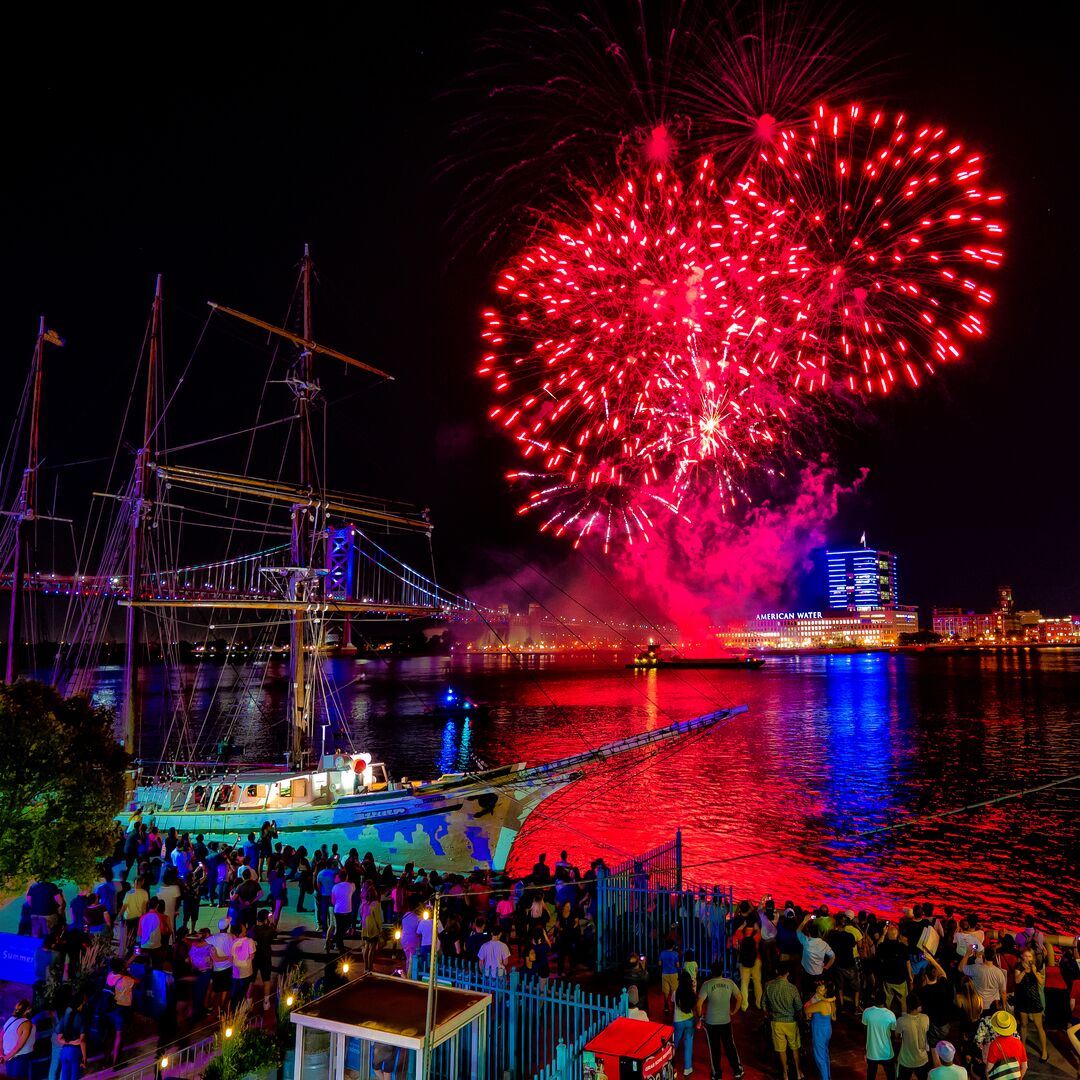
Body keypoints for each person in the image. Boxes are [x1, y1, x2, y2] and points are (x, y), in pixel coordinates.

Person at [698, 961, 744, 1080]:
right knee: (730, 1046)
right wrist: (733, 1011)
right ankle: (737, 1071)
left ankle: (717, 1074)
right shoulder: (729, 983)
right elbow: (739, 997)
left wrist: (700, 1016)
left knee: (714, 1049)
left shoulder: (706, 985)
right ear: (722, 971)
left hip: (711, 1022)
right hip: (725, 1021)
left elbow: (699, 1004)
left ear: (712, 972)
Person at [763, 964, 802, 1080]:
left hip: (776, 1023)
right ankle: (798, 1072)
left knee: (781, 1050)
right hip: (791, 1022)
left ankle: (785, 1073)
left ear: (776, 971)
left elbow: (763, 1004)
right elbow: (799, 1007)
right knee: (794, 1047)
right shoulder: (792, 988)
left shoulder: (769, 986)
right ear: (788, 973)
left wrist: (766, 1014)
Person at [1012, 947, 1047, 1062]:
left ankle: (1044, 1051)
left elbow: (1041, 982)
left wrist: (1034, 971)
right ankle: (1022, 1048)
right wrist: (1024, 972)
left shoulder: (1035, 966)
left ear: (1033, 957)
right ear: (1022, 956)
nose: (1028, 958)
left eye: (1030, 956)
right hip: (1022, 999)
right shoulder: (1018, 967)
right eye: (1026, 956)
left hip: (1034, 998)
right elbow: (1017, 981)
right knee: (1023, 1024)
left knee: (1039, 1026)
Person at [105, 958, 138, 1069]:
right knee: (119, 1037)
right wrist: (127, 972)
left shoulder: (110, 976)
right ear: (122, 968)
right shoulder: (127, 980)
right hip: (122, 1010)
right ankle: (116, 1063)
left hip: (111, 1009)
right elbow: (138, 982)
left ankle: (106, 1061)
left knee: (111, 1035)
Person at [863, 988, 899, 1080]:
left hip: (872, 1052)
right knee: (891, 1076)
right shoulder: (891, 1015)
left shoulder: (867, 1012)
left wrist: (865, 1050)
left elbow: (865, 1031)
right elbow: (894, 1033)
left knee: (871, 1076)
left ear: (874, 998)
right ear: (885, 1000)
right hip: (887, 1052)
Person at [805, 976, 836, 1080]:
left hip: (820, 1032)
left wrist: (815, 999)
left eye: (821, 989)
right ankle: (827, 1077)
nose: (818, 991)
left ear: (826, 991)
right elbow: (833, 1017)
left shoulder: (821, 1003)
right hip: (827, 1029)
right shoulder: (831, 1002)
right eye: (818, 989)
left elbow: (806, 1010)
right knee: (825, 1054)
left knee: (820, 1057)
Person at [895, 991, 931, 1080]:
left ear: (908, 1006)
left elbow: (897, 1036)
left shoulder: (901, 1021)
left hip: (906, 1061)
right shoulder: (926, 1018)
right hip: (922, 1059)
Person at [962, 946, 1006, 1016]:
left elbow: (961, 968)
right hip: (993, 1005)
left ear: (984, 955)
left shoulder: (976, 968)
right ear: (994, 956)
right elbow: (1003, 992)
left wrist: (967, 954)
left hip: (979, 1004)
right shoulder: (999, 972)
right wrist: (1004, 1007)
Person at [983, 1010, 1027, 1080]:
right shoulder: (1019, 1043)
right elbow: (1025, 1066)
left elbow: (989, 1069)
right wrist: (1019, 1078)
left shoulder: (994, 1044)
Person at [55, 991, 87, 1080]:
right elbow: (82, 1040)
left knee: (64, 1077)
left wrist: (70, 1042)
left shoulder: (66, 1016)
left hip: (65, 1051)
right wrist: (84, 1058)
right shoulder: (81, 1017)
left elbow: (59, 1038)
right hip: (76, 1052)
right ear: (82, 1002)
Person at [250, 910, 278, 1011]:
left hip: (253, 957)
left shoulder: (252, 930)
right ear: (266, 919)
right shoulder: (269, 930)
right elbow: (275, 934)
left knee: (251, 980)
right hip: (265, 957)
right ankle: (266, 1002)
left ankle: (248, 1001)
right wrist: (272, 922)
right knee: (266, 979)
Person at [0, 1001, 36, 1078]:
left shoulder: (11, 1019)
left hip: (8, 1055)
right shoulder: (27, 1024)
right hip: (20, 1057)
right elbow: (19, 1046)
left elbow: (1, 1037)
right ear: (28, 1010)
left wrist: (2, 1055)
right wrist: (5, 1057)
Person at [207, 918, 235, 1015]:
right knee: (225, 989)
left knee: (215, 989)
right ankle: (222, 1009)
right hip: (228, 967)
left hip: (217, 969)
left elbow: (200, 944)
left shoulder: (213, 938)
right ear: (228, 927)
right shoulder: (231, 937)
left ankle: (210, 1007)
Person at [672, 970, 697, 1077]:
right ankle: (687, 1068)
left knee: (674, 1044)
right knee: (688, 1044)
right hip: (690, 1020)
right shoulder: (692, 993)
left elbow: (672, 1002)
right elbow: (694, 1005)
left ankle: (670, 1063)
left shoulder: (675, 993)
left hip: (678, 1021)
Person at [230, 922, 256, 1005]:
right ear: (240, 932)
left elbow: (230, 956)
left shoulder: (231, 942)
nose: (245, 929)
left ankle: (233, 1010)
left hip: (235, 971)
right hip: (246, 972)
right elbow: (252, 956)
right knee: (242, 992)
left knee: (235, 991)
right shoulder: (249, 941)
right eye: (244, 929)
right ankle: (240, 1011)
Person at [331, 871, 355, 954]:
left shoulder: (335, 887)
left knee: (339, 929)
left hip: (338, 911)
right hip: (348, 910)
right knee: (344, 928)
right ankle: (339, 945)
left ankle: (335, 942)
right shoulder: (351, 886)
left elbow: (333, 901)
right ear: (347, 877)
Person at [659, 942, 682, 1017]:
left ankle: (666, 1006)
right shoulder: (675, 954)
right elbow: (678, 965)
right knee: (674, 990)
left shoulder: (662, 953)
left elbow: (659, 963)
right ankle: (674, 1006)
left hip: (664, 973)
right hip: (674, 973)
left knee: (666, 991)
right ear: (672, 946)